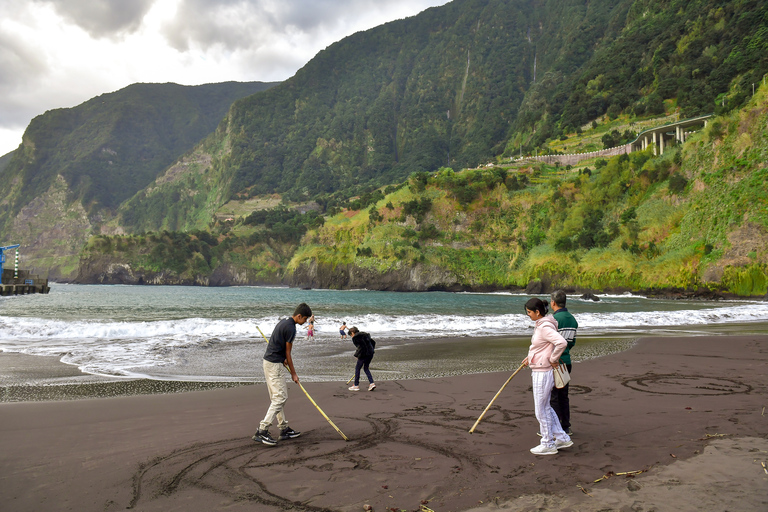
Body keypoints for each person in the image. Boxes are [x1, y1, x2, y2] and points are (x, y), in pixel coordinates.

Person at [253, 302, 312, 447]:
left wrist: (282, 358)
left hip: (268, 361)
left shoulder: (284, 322)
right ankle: (262, 430)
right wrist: (294, 373)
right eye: (305, 319)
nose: (305, 322)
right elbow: (288, 353)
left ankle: (284, 428)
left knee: (276, 397)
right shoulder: (291, 328)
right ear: (299, 316)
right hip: (274, 365)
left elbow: (277, 344)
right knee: (281, 397)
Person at [521, 297, 572, 455]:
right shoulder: (543, 325)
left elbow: (561, 343)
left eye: (529, 312)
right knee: (546, 407)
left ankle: (547, 443)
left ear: (537, 312)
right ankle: (562, 438)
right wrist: (531, 357)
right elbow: (543, 346)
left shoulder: (544, 327)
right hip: (540, 368)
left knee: (541, 409)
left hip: (543, 371)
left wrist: (553, 359)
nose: (528, 315)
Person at [550, 290, 577, 435]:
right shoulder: (572, 319)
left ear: (553, 302)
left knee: (553, 396)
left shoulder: (553, 320)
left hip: (555, 362)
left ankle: (555, 427)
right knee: (563, 395)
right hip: (566, 360)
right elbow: (572, 342)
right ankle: (566, 426)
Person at [348, 327, 376, 391]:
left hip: (364, 354)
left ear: (352, 333)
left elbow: (360, 347)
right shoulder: (365, 335)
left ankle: (356, 385)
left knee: (357, 369)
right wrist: (371, 350)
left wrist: (357, 355)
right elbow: (373, 342)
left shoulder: (356, 337)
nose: (351, 336)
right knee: (366, 368)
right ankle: (372, 383)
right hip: (370, 354)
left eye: (351, 335)